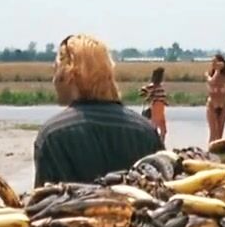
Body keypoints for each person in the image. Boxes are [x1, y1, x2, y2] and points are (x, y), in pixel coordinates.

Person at [34, 34, 164, 186]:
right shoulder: (146, 132)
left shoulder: (52, 135)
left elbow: (42, 197)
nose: (54, 79)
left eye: (56, 70)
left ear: (69, 75)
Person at [205, 53, 225, 143]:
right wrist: (217, 71)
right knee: (213, 133)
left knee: (220, 134)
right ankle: (210, 150)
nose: (213, 64)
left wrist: (220, 71)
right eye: (212, 62)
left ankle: (219, 150)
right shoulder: (209, 75)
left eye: (215, 62)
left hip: (222, 106)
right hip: (212, 106)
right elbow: (212, 82)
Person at [140, 66, 168, 142]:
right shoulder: (153, 86)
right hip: (157, 106)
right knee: (154, 127)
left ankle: (161, 143)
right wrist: (148, 96)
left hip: (161, 107)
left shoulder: (159, 86)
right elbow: (143, 91)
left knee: (163, 129)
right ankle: (153, 142)